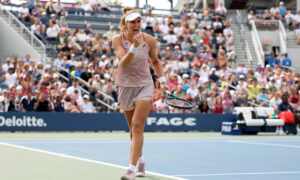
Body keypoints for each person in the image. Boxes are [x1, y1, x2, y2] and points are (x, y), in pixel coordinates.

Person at [112, 7, 165, 180]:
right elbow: (124, 64)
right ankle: (141, 160)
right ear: (125, 25)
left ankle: (131, 170)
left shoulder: (149, 40)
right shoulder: (117, 40)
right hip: (126, 86)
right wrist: (134, 47)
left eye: (138, 21)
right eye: (132, 22)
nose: (136, 25)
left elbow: (156, 62)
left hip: (145, 85)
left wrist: (162, 80)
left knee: (137, 126)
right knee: (132, 130)